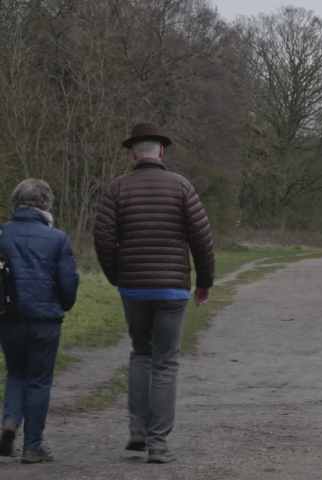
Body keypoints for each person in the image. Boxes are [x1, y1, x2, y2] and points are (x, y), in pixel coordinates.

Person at [93, 122, 215, 464]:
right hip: (173, 289)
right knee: (166, 363)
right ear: (161, 151)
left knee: (141, 354)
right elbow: (202, 240)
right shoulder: (182, 187)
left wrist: (118, 276)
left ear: (133, 153)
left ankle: (138, 430)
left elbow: (102, 238)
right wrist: (204, 282)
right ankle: (158, 445)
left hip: (134, 288)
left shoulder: (117, 189)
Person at [0, 179, 79, 463]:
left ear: (15, 202)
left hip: (8, 316)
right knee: (39, 381)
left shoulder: (1, 233)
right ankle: (32, 447)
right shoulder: (58, 239)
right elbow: (68, 283)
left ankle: (9, 421)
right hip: (46, 320)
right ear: (47, 204)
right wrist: (62, 306)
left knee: (16, 372)